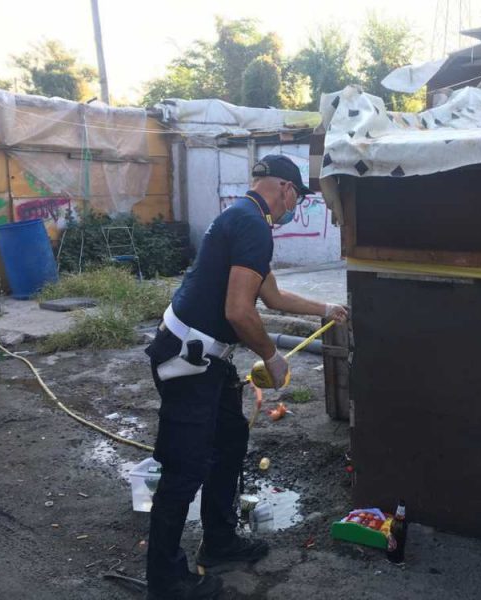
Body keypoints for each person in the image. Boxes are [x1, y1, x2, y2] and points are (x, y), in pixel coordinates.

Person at [143, 154, 348, 600]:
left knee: (229, 440)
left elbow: (270, 296)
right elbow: (240, 311)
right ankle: (165, 579)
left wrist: (324, 309)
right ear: (286, 189)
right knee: (185, 467)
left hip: (203, 358)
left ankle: (218, 541)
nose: (295, 208)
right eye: (297, 198)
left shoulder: (241, 216)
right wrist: (271, 355)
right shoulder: (253, 224)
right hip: (188, 360)